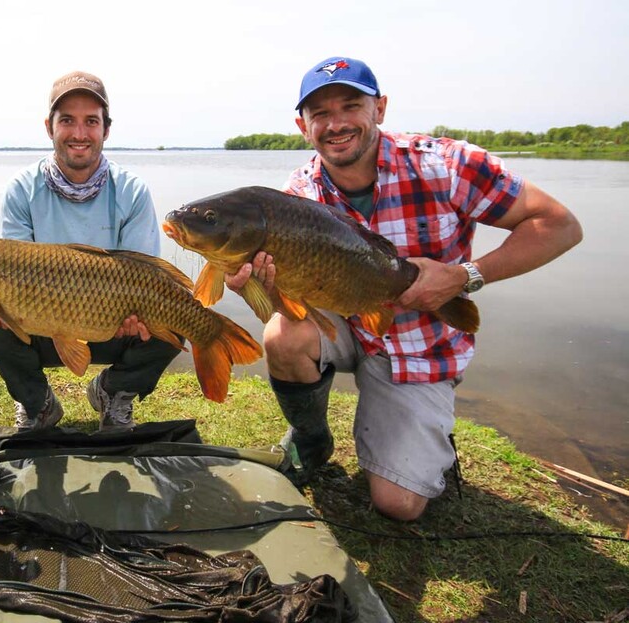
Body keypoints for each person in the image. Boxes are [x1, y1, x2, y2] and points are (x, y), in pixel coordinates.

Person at [225, 56, 582, 521]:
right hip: (350, 317)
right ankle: (311, 441)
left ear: (380, 108)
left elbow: (559, 226)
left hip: (420, 342)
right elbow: (287, 304)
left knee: (398, 506)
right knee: (281, 334)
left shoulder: (448, 165)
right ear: (302, 125)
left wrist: (465, 276)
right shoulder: (299, 192)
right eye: (320, 115)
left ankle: (426, 437)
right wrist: (258, 289)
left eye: (350, 106)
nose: (336, 124)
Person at [0, 71, 181, 433]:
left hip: (112, 321)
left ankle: (113, 393)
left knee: (175, 321)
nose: (79, 134)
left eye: (91, 122)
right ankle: (39, 405)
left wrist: (140, 314)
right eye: (67, 120)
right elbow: (12, 271)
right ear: (49, 127)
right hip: (44, 322)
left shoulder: (131, 191)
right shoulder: (22, 189)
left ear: (106, 130)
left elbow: (143, 272)